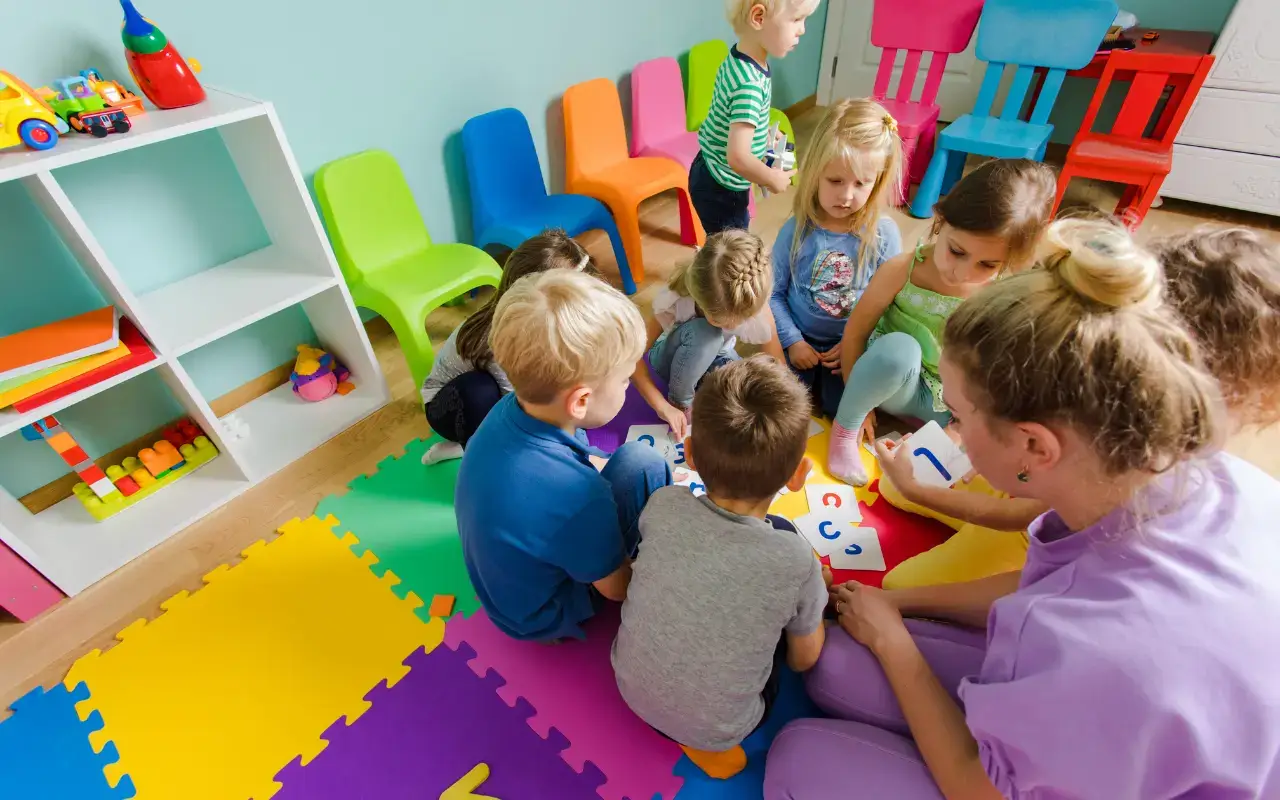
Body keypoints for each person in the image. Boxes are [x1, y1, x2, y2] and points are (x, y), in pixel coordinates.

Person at [763, 219, 1280, 799]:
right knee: (832, 664)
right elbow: (1047, 583)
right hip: (1097, 706)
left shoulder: (1101, 654)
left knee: (798, 755)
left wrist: (895, 641)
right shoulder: (1160, 472)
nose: (947, 430)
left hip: (1068, 750)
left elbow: (979, 788)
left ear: (1036, 446)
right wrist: (896, 604)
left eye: (958, 414)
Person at [872, 222, 1280, 590]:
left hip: (1030, 521)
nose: (946, 413)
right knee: (895, 485)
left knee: (899, 582)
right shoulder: (1094, 419)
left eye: (959, 413)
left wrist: (906, 601)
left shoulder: (1096, 477)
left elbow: (1019, 521)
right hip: (1028, 484)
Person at [613, 356, 826, 780]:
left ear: (688, 455)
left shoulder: (664, 504)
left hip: (629, 689)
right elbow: (804, 660)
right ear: (799, 475)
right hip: (721, 729)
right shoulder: (798, 560)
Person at [455, 270, 671, 642]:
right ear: (581, 400)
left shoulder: (506, 409)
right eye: (625, 380)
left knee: (634, 462)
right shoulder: (578, 495)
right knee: (646, 464)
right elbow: (617, 589)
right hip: (543, 615)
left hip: (504, 591)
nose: (627, 386)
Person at [827, 158, 1056, 486]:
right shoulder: (902, 269)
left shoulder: (998, 297)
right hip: (895, 382)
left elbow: (993, 378)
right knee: (898, 350)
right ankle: (843, 431)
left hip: (948, 405)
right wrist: (856, 404)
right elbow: (856, 332)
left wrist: (957, 431)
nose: (962, 273)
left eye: (987, 264)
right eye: (957, 251)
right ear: (940, 222)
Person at [770, 98, 903, 418]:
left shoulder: (884, 235)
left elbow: (892, 305)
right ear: (815, 173)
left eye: (861, 183)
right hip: (798, 339)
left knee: (839, 409)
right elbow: (771, 293)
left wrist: (855, 344)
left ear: (878, 181)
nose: (846, 196)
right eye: (835, 181)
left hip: (851, 346)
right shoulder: (796, 229)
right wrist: (792, 341)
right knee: (782, 403)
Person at [420, 230, 600, 465]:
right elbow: (518, 404)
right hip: (448, 408)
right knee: (479, 392)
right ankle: (474, 454)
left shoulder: (537, 320)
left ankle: (469, 443)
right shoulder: (500, 339)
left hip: (495, 393)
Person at [634, 229, 784, 440]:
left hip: (715, 359)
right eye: (721, 319)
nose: (733, 325)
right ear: (698, 296)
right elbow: (631, 357)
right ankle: (681, 401)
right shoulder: (675, 298)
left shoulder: (755, 305)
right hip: (669, 362)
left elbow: (778, 368)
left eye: (740, 320)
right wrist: (663, 406)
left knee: (746, 382)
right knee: (707, 335)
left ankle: (702, 396)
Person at [690, 0, 819, 234]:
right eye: (796, 19)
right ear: (758, 17)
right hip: (721, 187)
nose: (802, 29)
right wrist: (771, 177)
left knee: (725, 246)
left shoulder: (741, 58)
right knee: (733, 255)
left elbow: (731, 112)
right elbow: (738, 157)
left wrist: (762, 129)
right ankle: (710, 269)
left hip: (709, 169)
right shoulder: (750, 84)